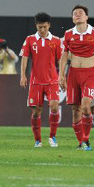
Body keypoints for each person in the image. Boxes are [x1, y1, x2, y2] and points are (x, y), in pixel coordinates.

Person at [58, 5, 94, 151]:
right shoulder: (68, 34)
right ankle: (81, 142)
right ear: (73, 18)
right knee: (75, 110)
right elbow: (64, 56)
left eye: (81, 13)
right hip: (73, 74)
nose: (77, 15)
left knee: (86, 106)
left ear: (86, 17)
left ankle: (86, 139)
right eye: (75, 13)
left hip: (89, 74)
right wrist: (61, 75)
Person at [19, 12, 62, 148]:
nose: (42, 30)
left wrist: (62, 76)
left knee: (54, 107)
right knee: (36, 111)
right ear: (36, 26)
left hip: (52, 81)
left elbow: (61, 60)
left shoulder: (56, 41)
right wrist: (23, 75)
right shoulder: (30, 40)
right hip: (35, 81)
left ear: (49, 25)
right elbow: (25, 58)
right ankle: (38, 140)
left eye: (44, 27)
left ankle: (52, 137)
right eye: (39, 27)